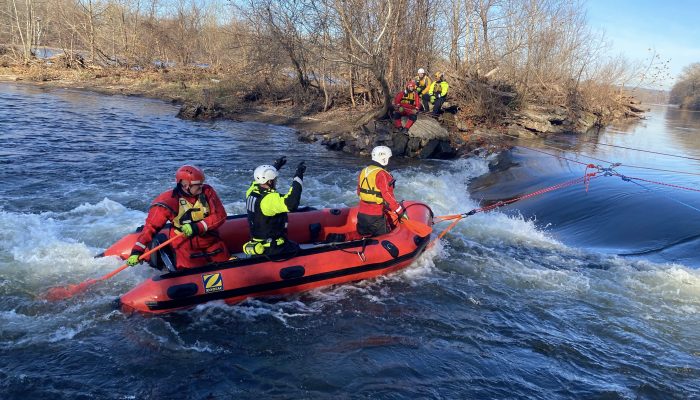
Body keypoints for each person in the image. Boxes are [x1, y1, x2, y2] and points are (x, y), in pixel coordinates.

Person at [126, 165, 231, 270]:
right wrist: (137, 251)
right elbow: (150, 228)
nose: (201, 187)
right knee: (191, 273)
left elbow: (220, 215)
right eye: (198, 185)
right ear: (185, 185)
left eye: (202, 183)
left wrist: (197, 227)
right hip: (185, 245)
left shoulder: (207, 192)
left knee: (227, 267)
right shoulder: (167, 201)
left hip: (211, 240)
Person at [243, 157, 306, 257]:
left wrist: (276, 166)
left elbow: (259, 179)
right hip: (274, 249)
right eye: (274, 179)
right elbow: (292, 203)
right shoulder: (269, 200)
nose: (276, 181)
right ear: (270, 182)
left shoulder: (251, 191)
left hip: (259, 243)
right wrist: (298, 175)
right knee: (299, 251)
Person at [356, 146, 406, 237]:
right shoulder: (382, 174)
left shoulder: (364, 171)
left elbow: (359, 192)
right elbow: (387, 194)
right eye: (389, 158)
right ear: (384, 158)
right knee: (383, 238)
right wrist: (399, 211)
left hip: (361, 215)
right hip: (375, 217)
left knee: (363, 239)